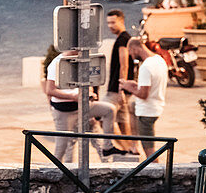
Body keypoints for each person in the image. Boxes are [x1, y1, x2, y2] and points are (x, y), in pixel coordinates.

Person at [43, 51, 129, 162]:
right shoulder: (57, 63)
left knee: (109, 110)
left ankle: (107, 146)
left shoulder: (82, 60)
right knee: (61, 149)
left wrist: (89, 92)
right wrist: (73, 96)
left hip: (82, 106)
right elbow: (49, 90)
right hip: (64, 111)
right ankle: (52, 175)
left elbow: (88, 82)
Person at [120, 38, 168, 159]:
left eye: (131, 52)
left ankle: (155, 173)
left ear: (135, 48)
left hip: (146, 113)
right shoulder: (159, 60)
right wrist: (136, 85)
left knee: (150, 153)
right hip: (157, 106)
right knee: (131, 107)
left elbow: (143, 94)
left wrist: (127, 87)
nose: (131, 56)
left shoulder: (145, 67)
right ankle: (134, 144)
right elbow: (150, 86)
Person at [102, 10, 135, 151]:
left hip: (117, 89)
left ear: (122, 21)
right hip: (119, 88)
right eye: (108, 23)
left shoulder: (123, 39)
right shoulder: (124, 38)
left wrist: (121, 88)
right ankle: (130, 149)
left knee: (102, 115)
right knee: (122, 120)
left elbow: (124, 64)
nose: (110, 26)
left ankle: (120, 147)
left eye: (113, 22)